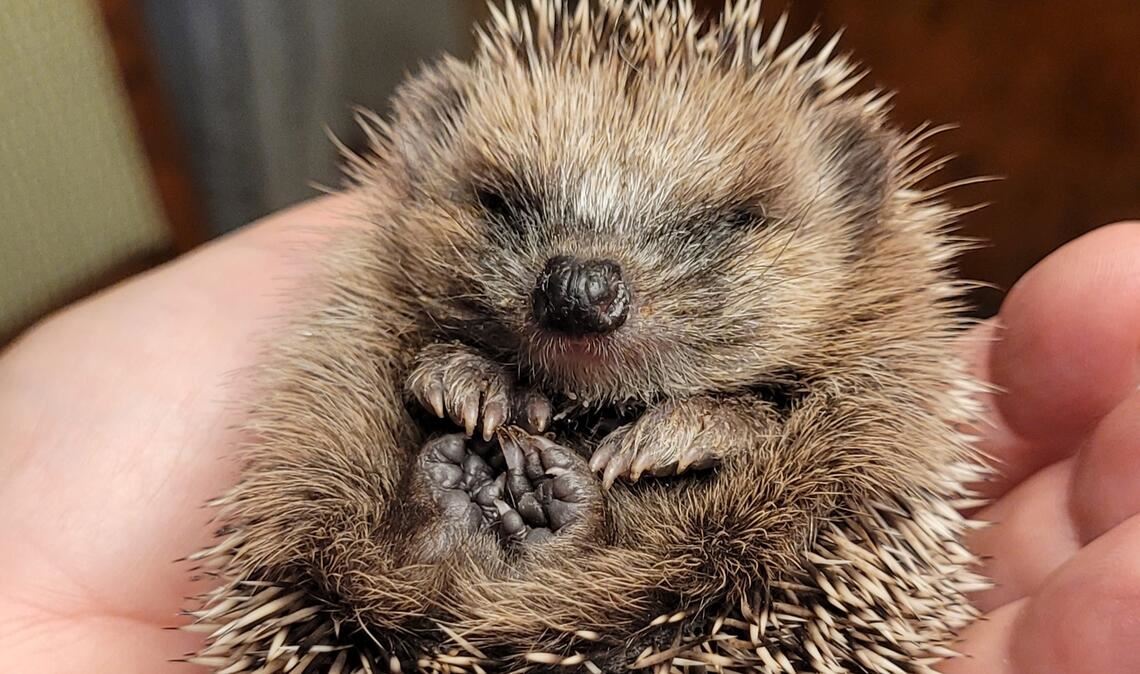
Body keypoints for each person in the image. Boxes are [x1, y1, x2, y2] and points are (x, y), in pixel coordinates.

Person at [1, 194, 1137, 674]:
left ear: (847, 202)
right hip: (396, 595)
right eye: (507, 205)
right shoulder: (387, 277)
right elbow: (318, 426)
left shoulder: (869, 333)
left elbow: (856, 495)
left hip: (673, 596)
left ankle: (513, 535)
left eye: (719, 227)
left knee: (790, 504)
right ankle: (454, 535)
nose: (581, 283)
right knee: (347, 482)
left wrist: (735, 419)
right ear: (436, 165)